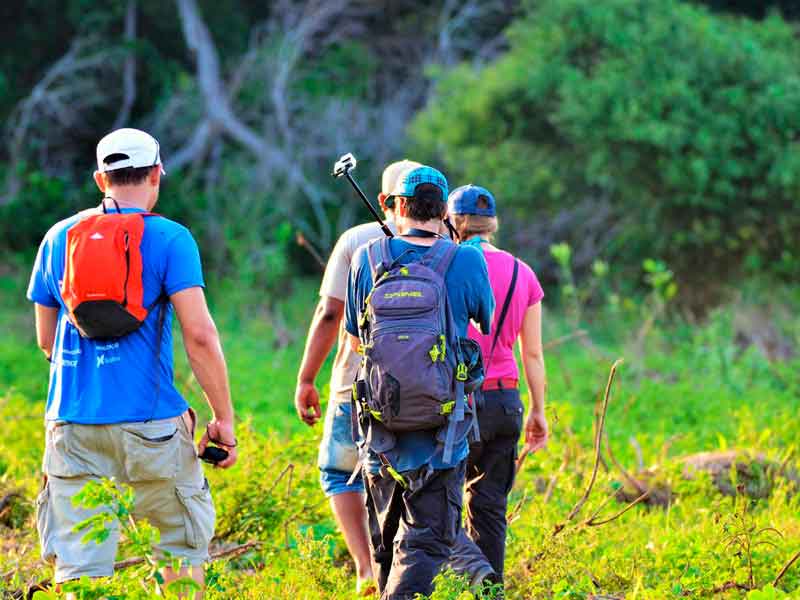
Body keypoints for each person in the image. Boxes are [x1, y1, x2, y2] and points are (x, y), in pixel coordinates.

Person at [27, 128, 237, 599]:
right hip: (153, 425)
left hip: (72, 424)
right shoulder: (171, 238)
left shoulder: (58, 237)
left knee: (81, 567)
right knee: (178, 548)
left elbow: (46, 341)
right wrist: (223, 419)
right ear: (157, 174)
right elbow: (199, 336)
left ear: (101, 179)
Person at [344, 166, 495, 600]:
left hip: (380, 425)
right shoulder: (465, 258)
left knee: (386, 544)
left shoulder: (368, 256)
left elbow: (357, 337)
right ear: (444, 210)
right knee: (428, 539)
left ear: (398, 206)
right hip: (443, 428)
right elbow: (482, 320)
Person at [294, 159, 420, 593]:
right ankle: (405, 570)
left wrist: (307, 378)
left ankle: (367, 570)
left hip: (358, 383)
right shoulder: (446, 241)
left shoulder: (356, 240)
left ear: (385, 200)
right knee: (412, 476)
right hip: (427, 389)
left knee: (337, 470)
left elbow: (330, 312)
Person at [447, 184, 549, 583]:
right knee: (489, 508)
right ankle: (491, 589)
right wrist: (537, 411)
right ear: (492, 225)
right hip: (506, 402)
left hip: (459, 402)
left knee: (439, 507)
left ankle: (469, 578)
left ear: (454, 223)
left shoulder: (449, 264)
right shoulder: (524, 272)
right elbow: (534, 354)